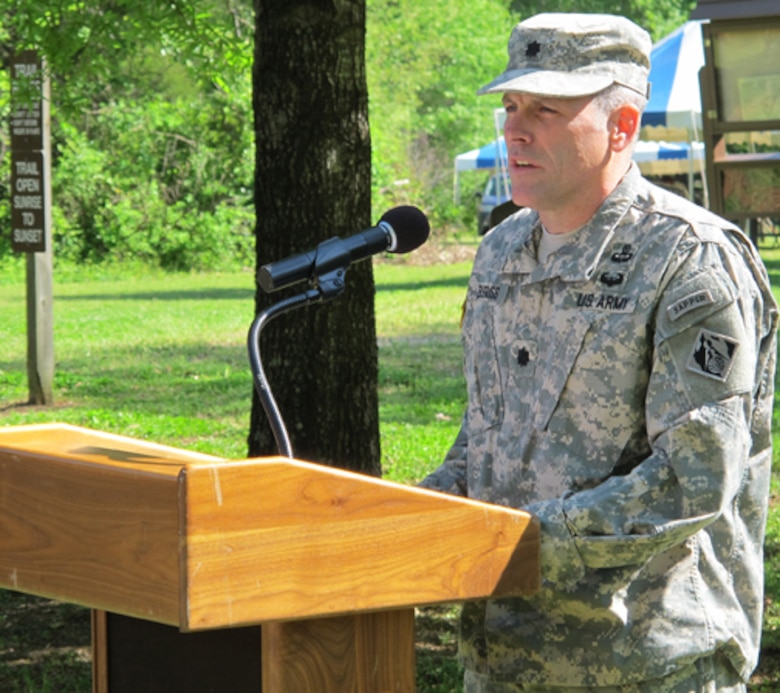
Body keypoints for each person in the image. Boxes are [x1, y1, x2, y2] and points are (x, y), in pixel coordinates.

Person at [420, 12, 778, 692]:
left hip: (644, 663)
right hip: (501, 665)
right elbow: (482, 441)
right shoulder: (501, 252)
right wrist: (400, 527)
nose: (514, 130)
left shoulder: (689, 260)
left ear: (622, 126)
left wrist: (515, 548)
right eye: (511, 106)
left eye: (546, 110)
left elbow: (692, 476)